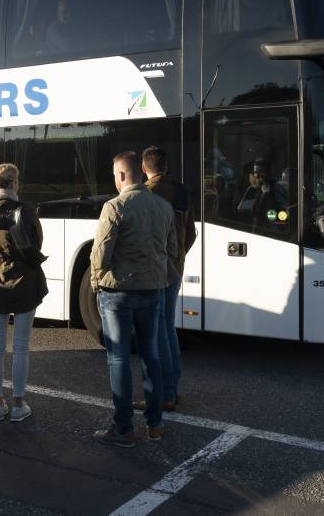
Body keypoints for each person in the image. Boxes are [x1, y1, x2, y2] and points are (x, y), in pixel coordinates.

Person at [91, 151, 176, 447]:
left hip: (118, 292)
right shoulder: (164, 207)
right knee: (150, 355)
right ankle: (155, 425)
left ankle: (123, 429)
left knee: (118, 358)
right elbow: (172, 249)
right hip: (153, 290)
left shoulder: (114, 207)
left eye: (116, 175)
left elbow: (100, 253)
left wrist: (96, 282)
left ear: (123, 175)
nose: (115, 180)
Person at [0, 163, 48, 423]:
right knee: (21, 346)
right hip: (25, 282)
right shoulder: (25, 211)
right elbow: (36, 243)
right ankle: (18, 404)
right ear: (14, 184)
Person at [135, 146, 196, 412]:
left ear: (144, 168)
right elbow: (191, 233)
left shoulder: (146, 193)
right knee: (168, 327)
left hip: (156, 270)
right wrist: (178, 257)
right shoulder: (181, 190)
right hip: (176, 267)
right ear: (166, 165)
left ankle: (165, 394)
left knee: (156, 330)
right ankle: (173, 387)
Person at [235, 158, 287, 226]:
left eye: (261, 173)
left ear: (268, 174)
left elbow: (283, 214)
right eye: (255, 172)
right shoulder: (252, 189)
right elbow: (240, 209)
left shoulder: (276, 188)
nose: (256, 176)